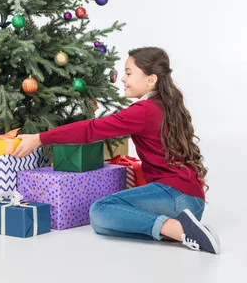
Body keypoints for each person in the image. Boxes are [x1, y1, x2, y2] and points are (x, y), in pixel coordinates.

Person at [14, 47, 221, 254]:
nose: (122, 78)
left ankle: (181, 229)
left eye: (129, 73)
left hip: (176, 197)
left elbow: (91, 130)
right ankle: (178, 229)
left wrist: (40, 138)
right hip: (191, 201)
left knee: (100, 210)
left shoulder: (144, 111)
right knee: (102, 225)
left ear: (151, 80)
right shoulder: (164, 104)